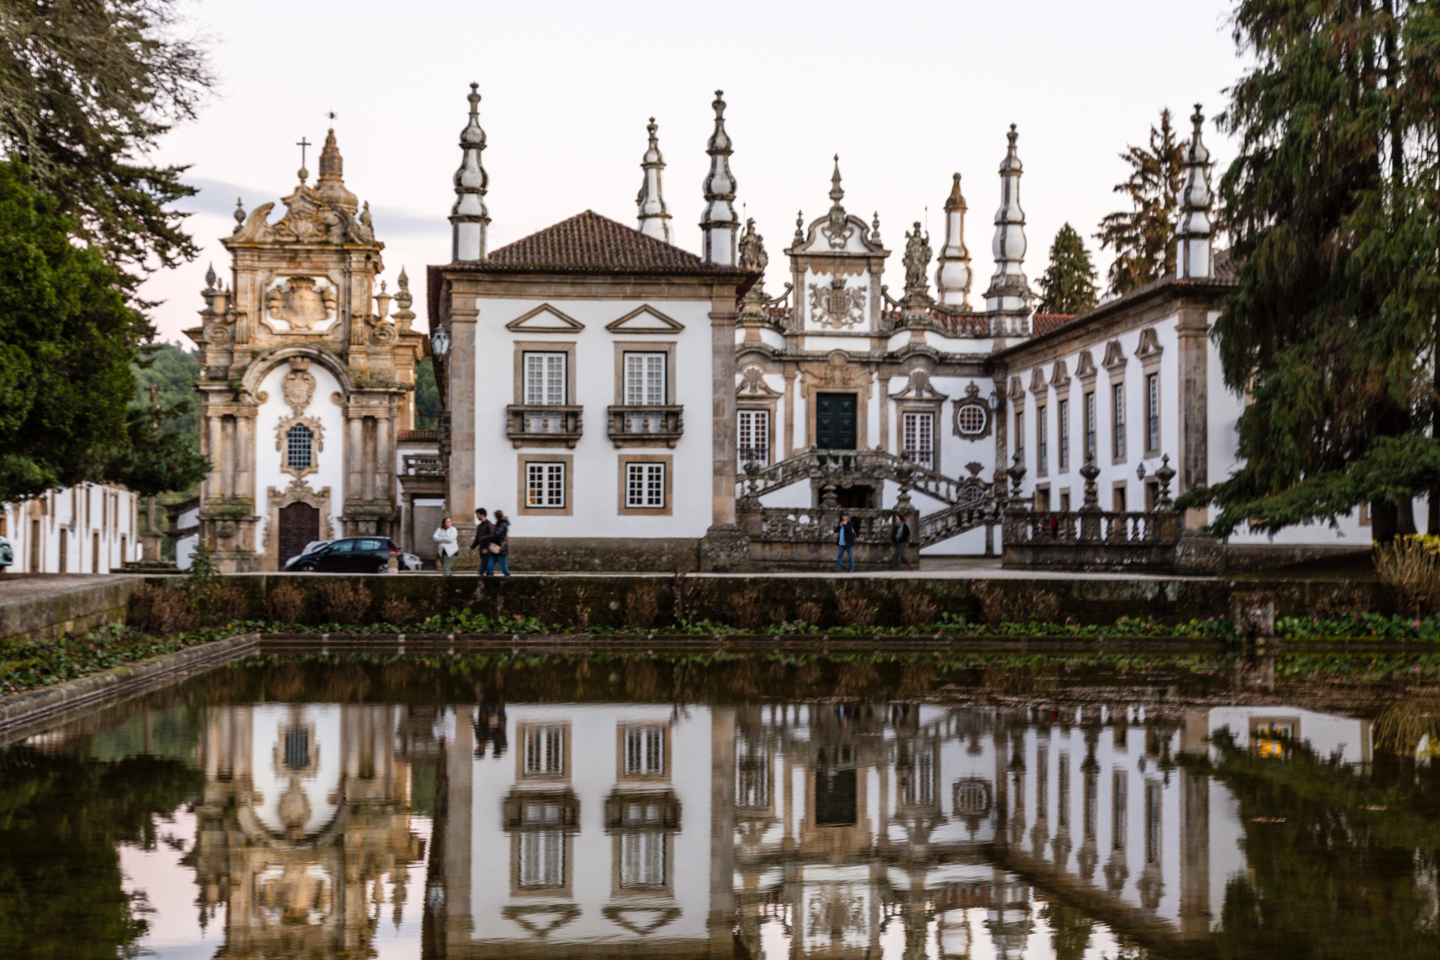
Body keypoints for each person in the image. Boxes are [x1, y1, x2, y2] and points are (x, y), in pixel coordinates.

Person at [488, 510, 512, 576]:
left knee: (502, 566)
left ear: (496, 516)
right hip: (495, 547)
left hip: (501, 548)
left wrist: (488, 537)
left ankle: (508, 578)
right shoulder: (499, 523)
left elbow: (496, 534)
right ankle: (490, 578)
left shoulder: (502, 524)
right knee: (489, 566)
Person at [471, 508, 494, 576]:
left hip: (488, 550)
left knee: (485, 568)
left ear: (482, 514)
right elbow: (477, 539)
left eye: (478, 514)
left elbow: (492, 538)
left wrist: (487, 548)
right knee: (485, 567)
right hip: (482, 549)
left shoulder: (489, 525)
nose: (476, 516)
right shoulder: (480, 526)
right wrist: (472, 547)